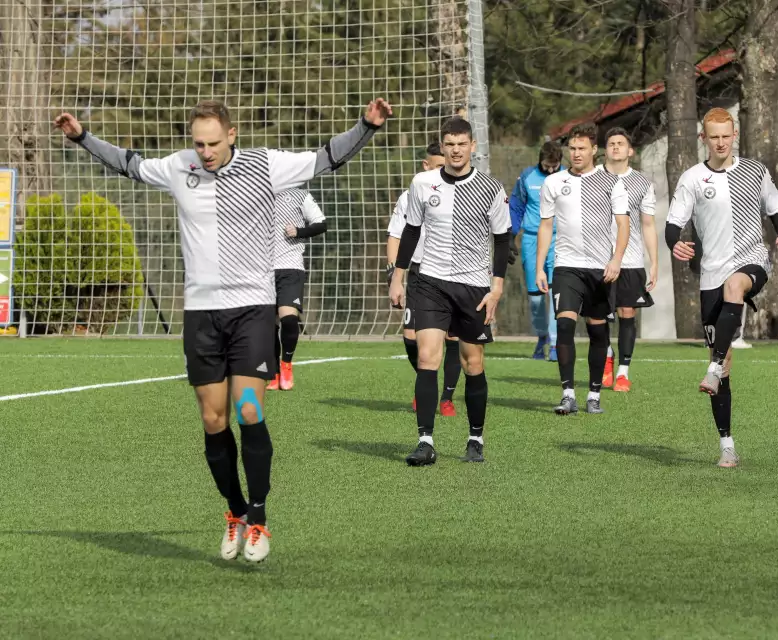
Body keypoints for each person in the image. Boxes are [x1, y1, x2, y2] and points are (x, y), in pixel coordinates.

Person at [54, 97, 392, 561]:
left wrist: (366, 127)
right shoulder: (180, 167)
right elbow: (130, 165)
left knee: (249, 410)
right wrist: (82, 138)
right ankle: (233, 512)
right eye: (199, 144)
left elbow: (325, 157)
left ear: (232, 135)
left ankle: (259, 518)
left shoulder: (265, 164)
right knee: (213, 419)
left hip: (252, 307)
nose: (206, 152)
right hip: (202, 313)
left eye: (213, 143)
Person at [666, 107, 778, 468]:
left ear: (734, 134)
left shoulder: (754, 171)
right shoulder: (692, 178)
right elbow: (673, 224)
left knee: (734, 287)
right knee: (725, 367)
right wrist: (675, 242)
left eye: (726, 135)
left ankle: (712, 369)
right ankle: (727, 445)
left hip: (751, 260)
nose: (721, 142)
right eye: (714, 136)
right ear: (703, 139)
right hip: (710, 273)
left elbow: (776, 208)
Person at [389, 117, 511, 466]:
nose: (456, 150)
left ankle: (475, 438)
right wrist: (398, 278)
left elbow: (502, 240)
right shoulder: (422, 183)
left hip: (473, 285)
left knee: (472, 362)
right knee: (428, 357)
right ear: (441, 148)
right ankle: (425, 442)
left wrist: (496, 288)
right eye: (450, 144)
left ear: (473, 146)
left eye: (462, 144)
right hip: (429, 281)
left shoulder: (490, 188)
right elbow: (411, 231)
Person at [536, 123, 630, 416]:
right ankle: (567, 394)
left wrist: (616, 259)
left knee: (598, 331)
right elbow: (546, 225)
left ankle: (593, 394)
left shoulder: (612, 182)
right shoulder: (554, 183)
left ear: (594, 150)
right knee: (564, 325)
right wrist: (540, 267)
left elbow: (623, 224)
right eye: (572, 149)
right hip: (566, 267)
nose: (575, 154)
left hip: (601, 269)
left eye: (581, 149)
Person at [386, 143, 462, 416]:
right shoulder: (408, 197)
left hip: (453, 273)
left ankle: (446, 398)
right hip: (419, 273)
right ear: (425, 165)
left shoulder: (460, 193)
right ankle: (425, 383)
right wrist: (393, 273)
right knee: (410, 337)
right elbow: (395, 234)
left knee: (453, 338)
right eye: (439, 165)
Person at [598, 128, 657, 392]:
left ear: (630, 151)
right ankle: (607, 358)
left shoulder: (643, 182)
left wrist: (653, 262)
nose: (616, 147)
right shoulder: (593, 179)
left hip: (631, 260)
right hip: (597, 259)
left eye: (621, 143)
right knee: (597, 316)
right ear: (605, 149)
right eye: (611, 144)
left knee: (627, 313)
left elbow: (647, 224)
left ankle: (622, 372)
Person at [266, 189, 327, 390]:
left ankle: (286, 365)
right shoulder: (259, 192)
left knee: (288, 318)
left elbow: (321, 224)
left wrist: (299, 231)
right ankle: (273, 373)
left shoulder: (300, 195)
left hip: (291, 267)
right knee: (267, 324)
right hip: (262, 269)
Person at [509, 142, 563, 360]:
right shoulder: (527, 177)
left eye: (554, 166)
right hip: (532, 240)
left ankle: (556, 344)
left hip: (560, 240)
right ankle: (542, 337)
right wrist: (510, 236)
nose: (550, 170)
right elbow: (516, 206)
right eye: (546, 166)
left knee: (556, 292)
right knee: (536, 298)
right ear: (540, 160)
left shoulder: (567, 178)